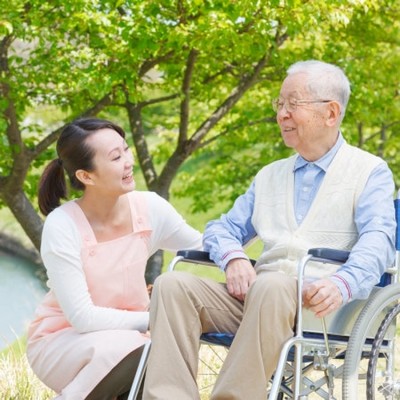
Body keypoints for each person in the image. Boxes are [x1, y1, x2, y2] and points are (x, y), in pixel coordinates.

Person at [142, 60, 397, 400]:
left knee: (273, 284)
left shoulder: (369, 171)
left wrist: (342, 282)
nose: (282, 115)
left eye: (293, 104)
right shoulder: (269, 175)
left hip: (322, 308)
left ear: (331, 113)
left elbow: (379, 241)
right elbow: (222, 228)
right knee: (172, 285)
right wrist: (234, 259)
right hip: (258, 300)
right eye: (280, 104)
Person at [26, 118, 202, 400]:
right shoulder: (63, 225)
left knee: (158, 355)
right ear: (86, 176)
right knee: (141, 351)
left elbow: (203, 247)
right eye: (116, 157)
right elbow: (82, 318)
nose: (128, 161)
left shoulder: (150, 208)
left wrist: (252, 231)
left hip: (136, 338)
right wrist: (154, 318)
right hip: (63, 339)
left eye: (126, 150)